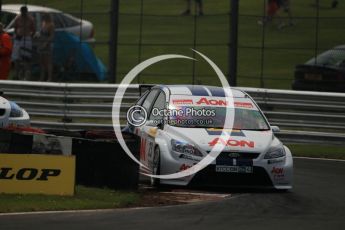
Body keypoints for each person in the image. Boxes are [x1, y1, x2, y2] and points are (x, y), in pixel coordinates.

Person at [12, 5, 35, 80]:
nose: (23, 13)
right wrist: (17, 34)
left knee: (26, 57)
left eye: (25, 11)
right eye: (22, 11)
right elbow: (15, 27)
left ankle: (26, 75)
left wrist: (30, 36)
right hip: (18, 38)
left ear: (26, 11)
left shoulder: (30, 19)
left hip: (27, 38)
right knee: (16, 57)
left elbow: (33, 30)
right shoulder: (18, 18)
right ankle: (16, 74)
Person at [37, 13, 55, 82]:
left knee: (48, 62)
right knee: (41, 62)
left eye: (43, 16)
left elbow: (52, 36)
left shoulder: (51, 25)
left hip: (47, 45)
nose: (42, 17)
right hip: (41, 43)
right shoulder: (43, 23)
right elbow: (41, 32)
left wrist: (46, 43)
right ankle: (42, 77)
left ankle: (49, 78)